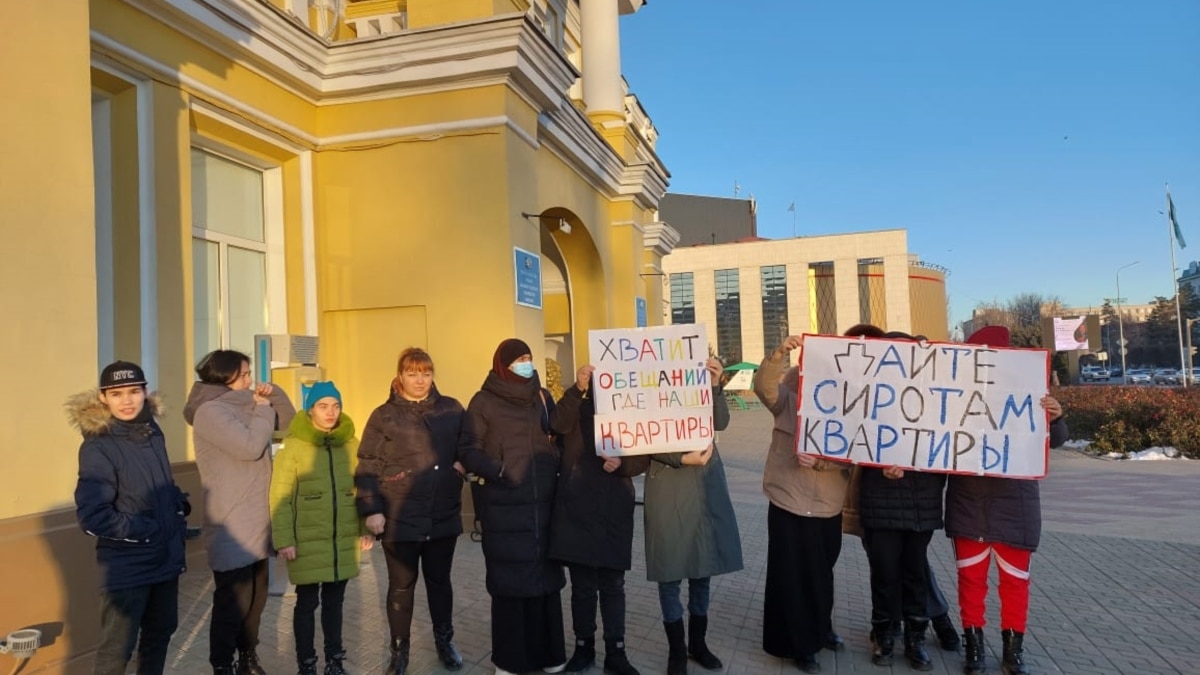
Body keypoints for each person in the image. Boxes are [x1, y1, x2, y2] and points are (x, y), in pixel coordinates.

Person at [355, 348, 504, 675]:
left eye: (425, 373)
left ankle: (444, 640)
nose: (420, 380)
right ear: (400, 377)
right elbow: (368, 464)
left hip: (442, 513)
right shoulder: (383, 416)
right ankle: (399, 650)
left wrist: (462, 465)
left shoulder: (451, 409)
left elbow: (472, 444)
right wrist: (371, 510)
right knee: (400, 587)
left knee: (440, 583)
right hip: (399, 515)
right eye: (412, 373)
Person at [947, 325, 1067, 675]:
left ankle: (1013, 653)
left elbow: (1054, 441)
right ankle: (974, 649)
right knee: (971, 582)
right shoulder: (953, 395)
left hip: (1015, 505)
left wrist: (1057, 417)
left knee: (1015, 584)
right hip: (968, 503)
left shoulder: (1030, 391)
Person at [841, 328, 961, 657]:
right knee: (884, 573)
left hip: (922, 503)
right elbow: (853, 437)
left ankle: (915, 639)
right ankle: (884, 634)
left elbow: (951, 445)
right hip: (880, 501)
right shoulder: (870, 395)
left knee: (914, 575)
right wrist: (877, 464)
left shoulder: (940, 398)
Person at [70, 361, 189, 675]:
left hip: (164, 559)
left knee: (159, 635)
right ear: (103, 398)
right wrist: (146, 530)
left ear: (145, 392)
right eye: (117, 393)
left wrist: (177, 503)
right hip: (127, 567)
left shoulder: (152, 432)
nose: (127, 400)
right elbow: (93, 516)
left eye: (134, 391)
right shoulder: (98, 447)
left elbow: (154, 484)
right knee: (116, 652)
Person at [184, 350, 296, 675]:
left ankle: (248, 658)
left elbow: (287, 426)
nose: (250, 380)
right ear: (224, 377)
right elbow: (248, 448)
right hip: (231, 521)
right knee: (233, 602)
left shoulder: (247, 402)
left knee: (257, 599)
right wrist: (262, 410)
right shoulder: (209, 412)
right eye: (244, 374)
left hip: (259, 517)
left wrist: (274, 395)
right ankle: (222, 665)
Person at [466, 338, 567, 675]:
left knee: (546, 585)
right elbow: (469, 450)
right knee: (510, 587)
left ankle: (550, 655)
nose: (526, 363)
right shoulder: (483, 402)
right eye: (518, 359)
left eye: (528, 357)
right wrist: (499, 470)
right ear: (502, 364)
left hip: (544, 506)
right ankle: (510, 661)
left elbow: (560, 432)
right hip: (505, 507)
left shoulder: (542, 396)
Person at [754, 336, 850, 674]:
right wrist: (779, 353)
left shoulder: (848, 408)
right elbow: (764, 388)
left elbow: (855, 454)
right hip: (787, 500)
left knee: (820, 575)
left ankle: (821, 628)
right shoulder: (788, 397)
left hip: (827, 504)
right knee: (789, 577)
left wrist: (823, 462)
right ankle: (797, 644)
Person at [642, 357, 741, 675]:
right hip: (667, 486)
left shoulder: (701, 387)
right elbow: (641, 437)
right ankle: (677, 652)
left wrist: (714, 385)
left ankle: (698, 643)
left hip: (703, 486)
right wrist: (680, 458)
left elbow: (720, 422)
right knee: (669, 574)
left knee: (702, 570)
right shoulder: (648, 392)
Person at [270, 382, 372, 675]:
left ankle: (334, 661)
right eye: (323, 406)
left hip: (342, 538)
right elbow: (280, 496)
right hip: (306, 539)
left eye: (335, 406)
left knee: (335, 603)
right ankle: (307, 663)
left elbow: (363, 488)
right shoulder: (293, 446)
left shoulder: (351, 443)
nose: (330, 413)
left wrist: (365, 526)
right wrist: (284, 539)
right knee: (306, 603)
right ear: (310, 409)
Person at [548, 364, 643, 675]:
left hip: (615, 508)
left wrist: (624, 464)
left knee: (614, 585)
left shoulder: (631, 412)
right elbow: (556, 424)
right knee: (582, 587)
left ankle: (616, 651)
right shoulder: (576, 406)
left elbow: (645, 453)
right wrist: (577, 388)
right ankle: (583, 647)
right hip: (577, 507)